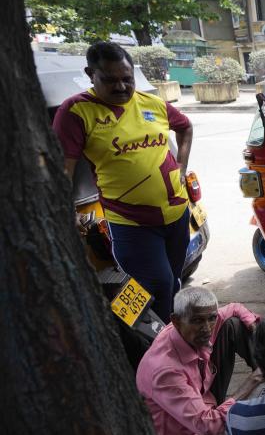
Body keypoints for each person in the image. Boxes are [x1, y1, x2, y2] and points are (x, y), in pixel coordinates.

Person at [53, 41, 194, 322]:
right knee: (156, 285)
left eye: (127, 79)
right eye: (110, 80)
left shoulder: (152, 103)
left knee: (174, 282)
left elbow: (185, 127)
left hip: (177, 214)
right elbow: (61, 172)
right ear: (90, 73)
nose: (121, 87)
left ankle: (168, 342)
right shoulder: (76, 112)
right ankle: (156, 351)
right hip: (132, 224)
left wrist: (181, 166)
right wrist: (64, 213)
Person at [136, 287, 263, 435]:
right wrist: (251, 383)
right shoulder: (164, 370)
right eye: (197, 321)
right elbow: (207, 427)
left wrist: (255, 328)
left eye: (211, 318)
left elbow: (234, 308)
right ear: (176, 321)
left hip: (206, 398)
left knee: (234, 325)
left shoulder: (199, 326)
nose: (206, 328)